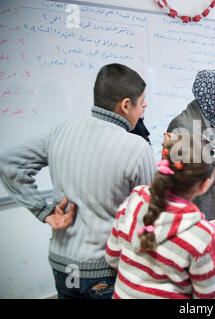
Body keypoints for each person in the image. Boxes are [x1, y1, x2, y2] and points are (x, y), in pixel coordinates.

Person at [0, 63, 157, 299]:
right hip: (108, 271)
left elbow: (9, 163)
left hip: (63, 267)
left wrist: (44, 211)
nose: (144, 106)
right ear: (125, 105)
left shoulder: (61, 131)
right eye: (142, 100)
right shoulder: (137, 148)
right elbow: (148, 218)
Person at [105, 135, 215, 299]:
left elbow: (112, 257)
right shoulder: (200, 234)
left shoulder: (135, 199)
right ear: (204, 184)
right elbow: (209, 296)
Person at [166, 70, 215, 220]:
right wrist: (210, 171)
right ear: (208, 94)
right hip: (202, 213)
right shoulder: (182, 125)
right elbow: (175, 177)